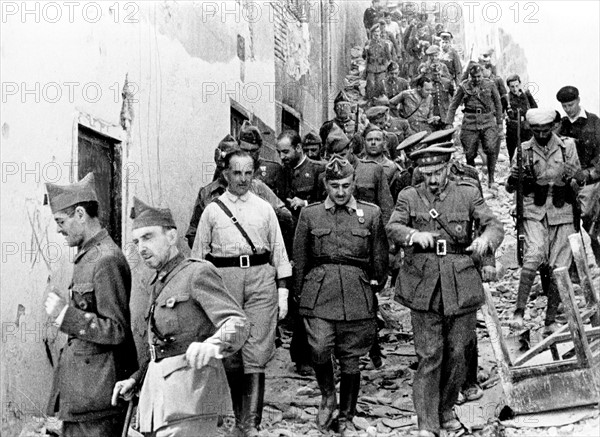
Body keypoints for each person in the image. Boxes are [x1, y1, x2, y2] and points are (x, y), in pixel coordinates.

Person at [387, 145, 504, 437]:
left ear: (449, 166)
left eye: (438, 172)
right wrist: (413, 234)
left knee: (458, 351)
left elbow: (492, 224)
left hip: (460, 281)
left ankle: (446, 408)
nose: (434, 180)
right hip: (423, 283)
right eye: (427, 174)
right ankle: (427, 423)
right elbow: (393, 227)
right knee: (430, 353)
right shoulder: (409, 196)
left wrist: (486, 241)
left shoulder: (467, 192)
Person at [111, 198, 248, 436]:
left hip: (192, 395)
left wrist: (214, 344)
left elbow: (237, 322)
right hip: (159, 393)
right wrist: (135, 379)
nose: (141, 247)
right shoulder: (157, 281)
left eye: (148, 237)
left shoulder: (197, 273)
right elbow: (161, 344)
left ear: (172, 236)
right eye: (136, 241)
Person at [193, 150, 293, 436]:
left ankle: (251, 425)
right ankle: (238, 418)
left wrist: (283, 293)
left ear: (254, 174)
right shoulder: (213, 210)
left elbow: (279, 252)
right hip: (225, 281)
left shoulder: (264, 208)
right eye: (236, 172)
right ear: (226, 174)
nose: (243, 179)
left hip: (261, 279)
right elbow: (199, 257)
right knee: (231, 351)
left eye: (248, 172)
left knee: (256, 352)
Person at [293, 155, 389, 435]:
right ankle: (326, 396)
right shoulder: (310, 214)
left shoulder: (371, 214)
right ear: (325, 184)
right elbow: (299, 258)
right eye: (334, 186)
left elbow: (380, 259)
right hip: (319, 292)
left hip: (356, 292)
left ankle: (346, 414)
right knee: (320, 347)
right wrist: (300, 295)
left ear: (354, 184)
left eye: (346, 185)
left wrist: (374, 287)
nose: (340, 192)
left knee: (351, 356)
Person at [44, 173, 138, 437]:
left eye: (61, 222)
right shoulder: (89, 255)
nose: (59, 229)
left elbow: (117, 330)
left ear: (81, 213)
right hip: (85, 394)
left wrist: (66, 315)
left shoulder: (106, 259)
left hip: (99, 397)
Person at [505, 108, 581, 335]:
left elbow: (578, 184)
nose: (540, 134)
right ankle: (519, 312)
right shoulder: (523, 150)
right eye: (536, 130)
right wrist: (515, 178)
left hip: (562, 210)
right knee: (534, 254)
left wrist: (574, 176)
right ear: (530, 128)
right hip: (533, 210)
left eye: (545, 130)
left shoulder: (568, 147)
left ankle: (550, 321)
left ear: (554, 127)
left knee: (560, 265)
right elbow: (510, 187)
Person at [186, 134, 293, 249]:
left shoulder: (257, 187)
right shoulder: (207, 193)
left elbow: (287, 218)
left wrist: (264, 207)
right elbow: (193, 234)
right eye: (223, 168)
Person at [276, 130, 325, 375]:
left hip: (312, 244)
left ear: (298, 148)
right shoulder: (280, 172)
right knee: (296, 300)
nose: (282, 157)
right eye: (279, 152)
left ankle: (312, 354)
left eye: (286, 151)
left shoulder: (318, 170)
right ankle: (301, 356)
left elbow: (328, 202)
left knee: (312, 298)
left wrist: (304, 204)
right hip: (287, 243)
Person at [556, 85, 600, 262]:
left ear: (579, 101)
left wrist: (590, 174)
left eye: (571, 105)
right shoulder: (562, 125)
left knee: (590, 219)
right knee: (568, 226)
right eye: (564, 106)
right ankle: (573, 265)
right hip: (568, 182)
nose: (568, 109)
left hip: (591, 181)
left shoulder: (594, 122)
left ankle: (597, 252)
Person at [325, 124, 395, 226]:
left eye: (342, 155)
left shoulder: (373, 169)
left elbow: (386, 209)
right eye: (333, 157)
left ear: (351, 148)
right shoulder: (326, 173)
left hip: (368, 228)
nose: (338, 160)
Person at [446, 63, 503, 188]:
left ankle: (491, 179)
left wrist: (499, 123)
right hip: (470, 121)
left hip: (488, 120)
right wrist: (449, 122)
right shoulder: (463, 86)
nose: (476, 79)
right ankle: (473, 181)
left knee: (491, 147)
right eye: (474, 77)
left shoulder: (490, 84)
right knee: (469, 152)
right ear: (470, 76)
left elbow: (498, 104)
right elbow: (453, 105)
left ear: (482, 74)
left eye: (479, 76)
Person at [238, 121, 287, 200]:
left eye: (253, 151)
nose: (249, 154)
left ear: (260, 149)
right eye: (245, 150)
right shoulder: (230, 168)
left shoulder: (273, 170)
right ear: (239, 148)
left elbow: (282, 201)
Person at [505, 74, 538, 162]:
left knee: (529, 154)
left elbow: (535, 110)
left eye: (516, 86)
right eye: (512, 87)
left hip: (527, 131)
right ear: (508, 86)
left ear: (520, 84)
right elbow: (499, 114)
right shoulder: (506, 99)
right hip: (513, 132)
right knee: (513, 155)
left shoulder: (527, 96)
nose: (515, 89)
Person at [363, 24, 392, 101]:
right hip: (371, 68)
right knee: (371, 85)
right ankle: (369, 101)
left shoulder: (384, 43)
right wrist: (365, 50)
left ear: (380, 32)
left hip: (381, 68)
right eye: (375, 32)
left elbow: (389, 57)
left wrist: (387, 66)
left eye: (378, 31)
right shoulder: (368, 43)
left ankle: (380, 101)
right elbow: (363, 57)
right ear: (372, 33)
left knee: (380, 85)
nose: (376, 33)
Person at [429, 63, 455, 132]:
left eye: (438, 74)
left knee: (448, 134)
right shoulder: (428, 84)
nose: (437, 76)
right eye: (435, 75)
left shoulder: (447, 82)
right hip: (434, 114)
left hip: (445, 114)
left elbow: (455, 97)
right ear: (431, 74)